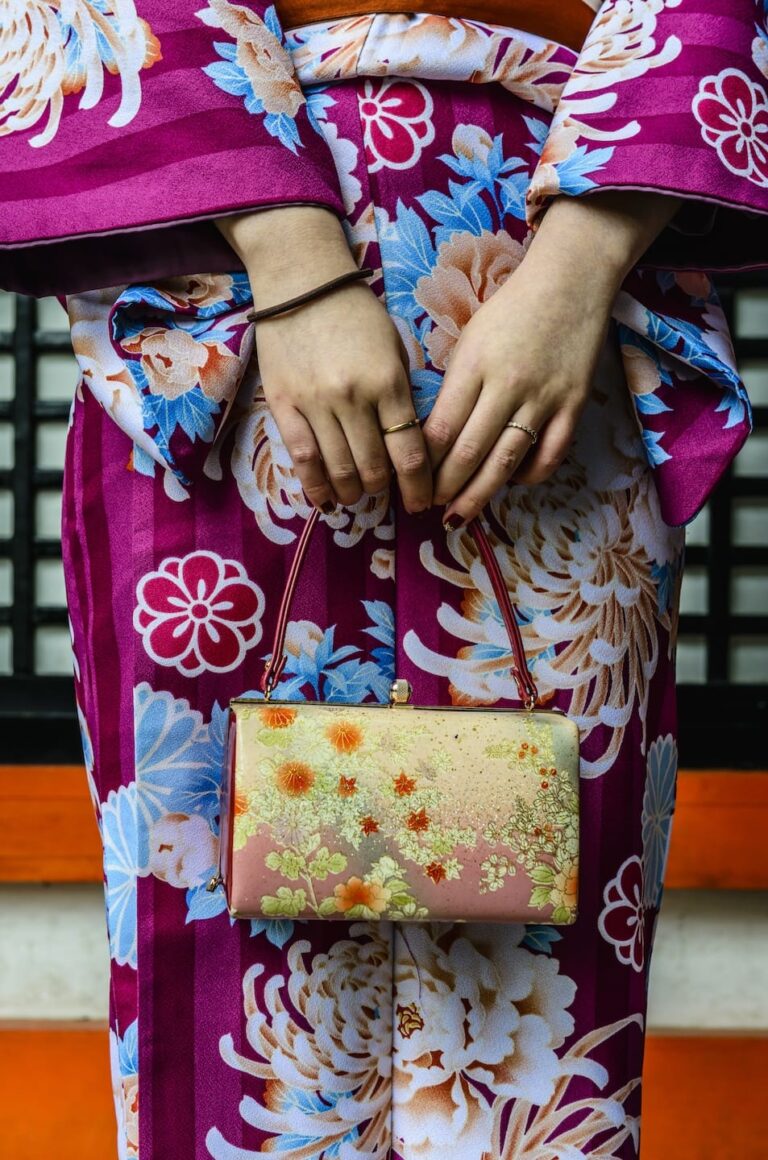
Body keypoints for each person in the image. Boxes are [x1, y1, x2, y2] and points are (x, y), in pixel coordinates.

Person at [0, 0, 763, 1156]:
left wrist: (577, 269)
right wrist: (295, 264)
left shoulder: (572, 285)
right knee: (211, 898)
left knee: (547, 904)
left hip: (562, 279)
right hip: (229, 290)